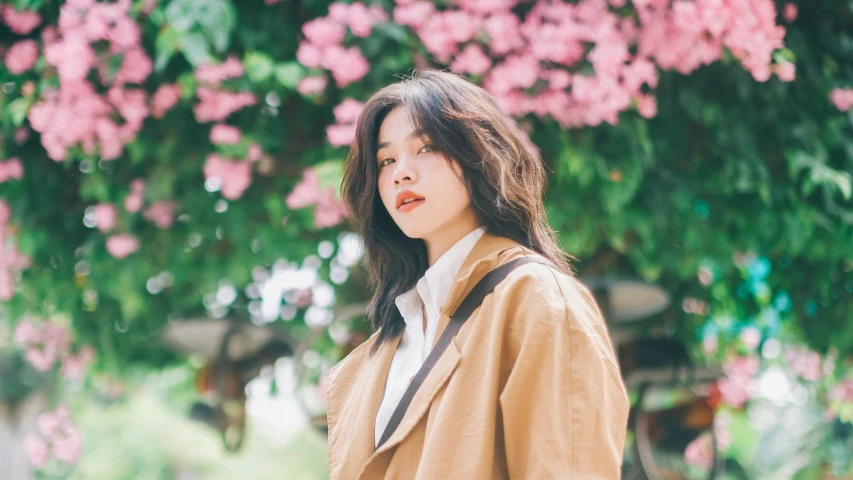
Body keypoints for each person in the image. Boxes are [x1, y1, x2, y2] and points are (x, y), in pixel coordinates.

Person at [329, 70, 628, 479]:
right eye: (387, 160)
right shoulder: (375, 356)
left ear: (479, 154)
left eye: (427, 147)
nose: (402, 172)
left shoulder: (536, 300)